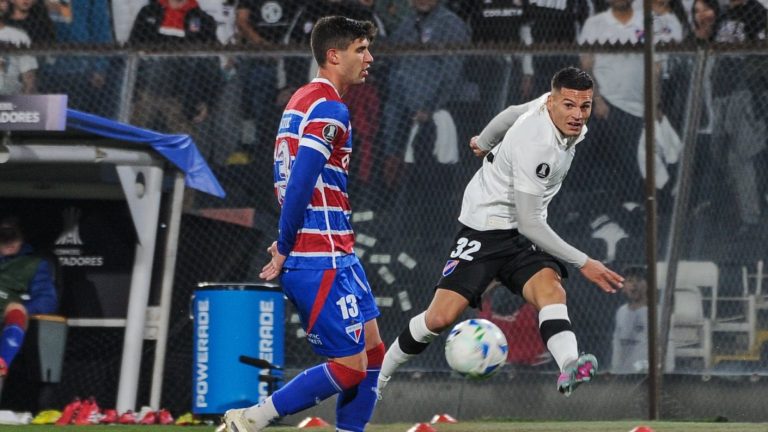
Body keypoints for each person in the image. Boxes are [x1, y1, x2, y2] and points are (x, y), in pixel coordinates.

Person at [378, 67, 624, 398]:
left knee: (551, 291)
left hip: (521, 235)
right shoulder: (538, 146)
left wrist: (483, 141)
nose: (578, 115)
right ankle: (377, 379)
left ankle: (570, 365)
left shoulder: (549, 110)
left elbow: (510, 113)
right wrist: (585, 263)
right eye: (569, 105)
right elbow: (530, 224)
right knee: (439, 318)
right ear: (552, 103)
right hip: (486, 230)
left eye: (585, 106)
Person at [218, 16, 384, 432]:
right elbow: (300, 180)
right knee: (348, 369)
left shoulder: (301, 99)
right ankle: (252, 420)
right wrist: (286, 242)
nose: (370, 58)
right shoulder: (330, 108)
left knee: (373, 352)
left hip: (337, 252)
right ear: (334, 55)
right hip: (317, 254)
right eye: (360, 49)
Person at [0, 217, 58, 377]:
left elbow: (47, 301)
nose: (9, 242)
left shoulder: (34, 263)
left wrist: (23, 307)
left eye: (14, 236)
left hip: (6, 316)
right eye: (4, 237)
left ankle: (1, 363)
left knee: (16, 309)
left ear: (22, 237)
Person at [610, 266, 674, 373]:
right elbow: (616, 344)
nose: (634, 284)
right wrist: (615, 369)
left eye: (639, 280)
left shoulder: (658, 313)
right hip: (624, 375)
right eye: (630, 281)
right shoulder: (621, 312)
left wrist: (667, 372)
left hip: (647, 374)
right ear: (623, 287)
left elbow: (668, 344)